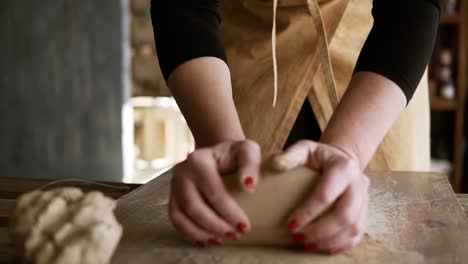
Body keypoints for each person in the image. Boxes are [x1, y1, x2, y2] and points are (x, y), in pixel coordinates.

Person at [150, 0, 441, 254]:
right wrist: (220, 140)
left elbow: (408, 6)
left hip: (376, 69)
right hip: (241, 70)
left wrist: (348, 150)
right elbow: (185, 7)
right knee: (234, 210)